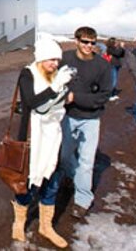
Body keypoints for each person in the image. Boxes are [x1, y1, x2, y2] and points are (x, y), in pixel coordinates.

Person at [42, 26, 111, 220]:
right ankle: (74, 177)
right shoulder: (65, 59)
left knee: (87, 162)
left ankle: (83, 200)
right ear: (77, 41)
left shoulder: (102, 66)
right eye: (85, 42)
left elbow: (104, 95)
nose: (89, 46)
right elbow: (48, 79)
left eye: (92, 43)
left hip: (91, 119)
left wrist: (75, 97)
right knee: (64, 156)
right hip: (67, 117)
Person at [9, 38, 74, 247]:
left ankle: (46, 226)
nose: (55, 64)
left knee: (53, 181)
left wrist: (66, 92)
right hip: (32, 137)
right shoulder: (27, 74)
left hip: (54, 135)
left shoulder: (58, 75)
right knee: (26, 184)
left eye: (57, 60)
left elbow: (60, 104)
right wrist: (55, 87)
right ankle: (19, 222)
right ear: (41, 57)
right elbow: (31, 102)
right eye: (51, 59)